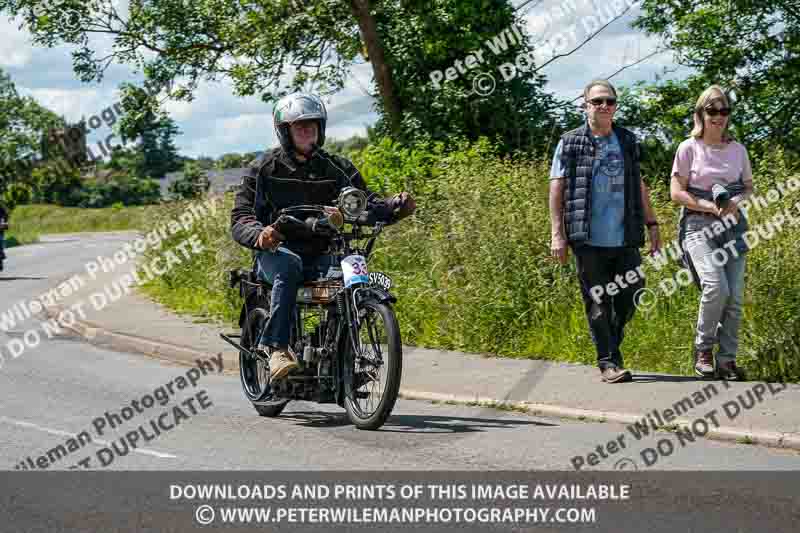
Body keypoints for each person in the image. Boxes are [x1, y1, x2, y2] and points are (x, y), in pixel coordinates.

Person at [230, 92, 416, 381]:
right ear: (285, 132)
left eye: (312, 126)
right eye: (299, 126)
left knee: (354, 270)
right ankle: (277, 348)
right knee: (289, 266)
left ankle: (341, 353)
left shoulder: (336, 167)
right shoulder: (264, 168)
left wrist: (395, 206)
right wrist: (261, 235)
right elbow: (240, 217)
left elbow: (365, 202)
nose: (307, 131)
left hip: (322, 252)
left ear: (322, 129)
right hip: (276, 252)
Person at [549, 79, 661, 383]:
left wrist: (652, 224)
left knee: (632, 293)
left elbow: (639, 184)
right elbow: (557, 189)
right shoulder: (569, 142)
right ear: (585, 105)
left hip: (625, 236)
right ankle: (608, 363)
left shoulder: (627, 140)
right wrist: (557, 234)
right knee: (598, 301)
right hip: (586, 238)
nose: (604, 106)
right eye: (597, 101)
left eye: (609, 101)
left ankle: (610, 343)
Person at [670, 85, 752, 381]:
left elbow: (747, 187)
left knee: (735, 298)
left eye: (724, 110)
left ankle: (727, 360)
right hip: (698, 226)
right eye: (712, 110)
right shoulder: (688, 148)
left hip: (733, 227)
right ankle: (703, 349)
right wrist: (709, 206)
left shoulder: (738, 150)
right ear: (701, 113)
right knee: (716, 287)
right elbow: (676, 192)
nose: (719, 116)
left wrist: (735, 204)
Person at [0, 202, 7, 272]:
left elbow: (4, 216)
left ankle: (1, 252)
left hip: (0, 229)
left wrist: (3, 222)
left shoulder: (1, 208)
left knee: (1, 240)